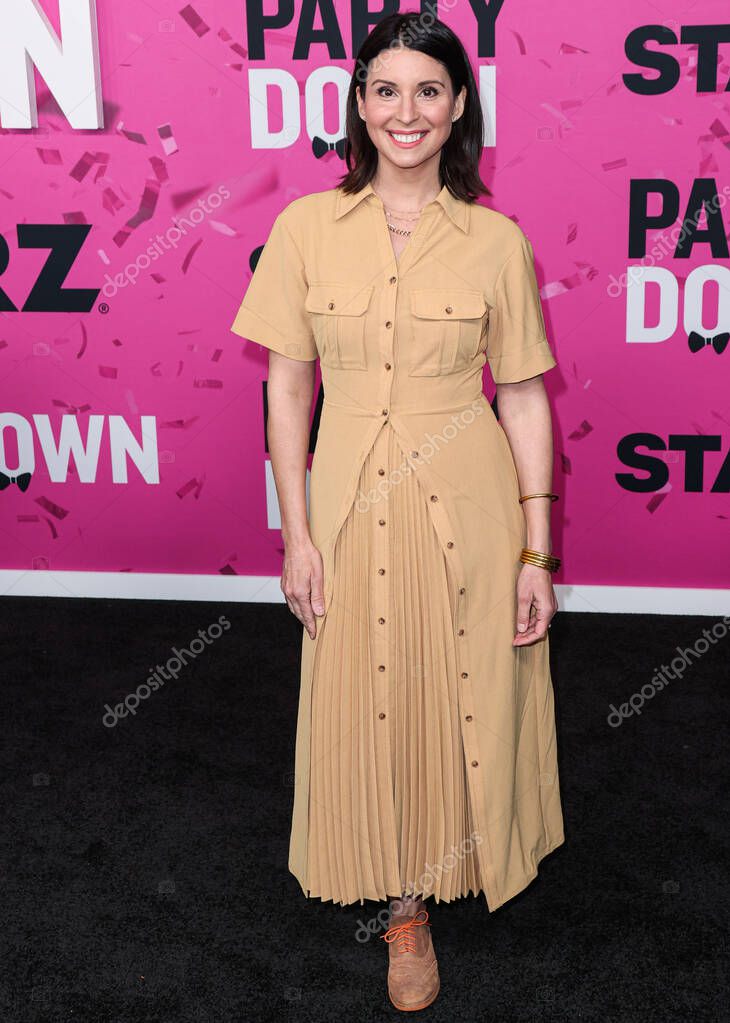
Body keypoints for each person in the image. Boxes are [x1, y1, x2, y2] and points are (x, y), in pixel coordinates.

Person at [231, 11, 564, 1013]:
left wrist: (533, 548)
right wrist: (295, 533)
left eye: (428, 90)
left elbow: (521, 395)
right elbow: (288, 387)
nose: (404, 111)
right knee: (363, 689)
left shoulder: (494, 240)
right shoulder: (302, 228)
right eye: (385, 90)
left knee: (455, 684)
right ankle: (400, 905)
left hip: (461, 491)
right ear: (359, 106)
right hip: (343, 497)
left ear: (458, 106)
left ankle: (438, 881)